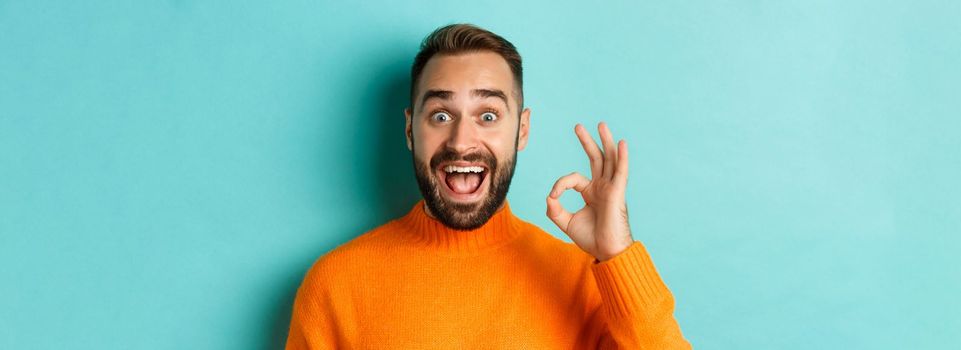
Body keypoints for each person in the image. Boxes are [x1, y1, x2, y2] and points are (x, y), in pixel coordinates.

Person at [285, 23, 692, 349]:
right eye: (441, 116)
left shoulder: (584, 283)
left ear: (523, 129)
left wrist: (619, 256)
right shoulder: (335, 287)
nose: (462, 142)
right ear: (410, 129)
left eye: (489, 115)